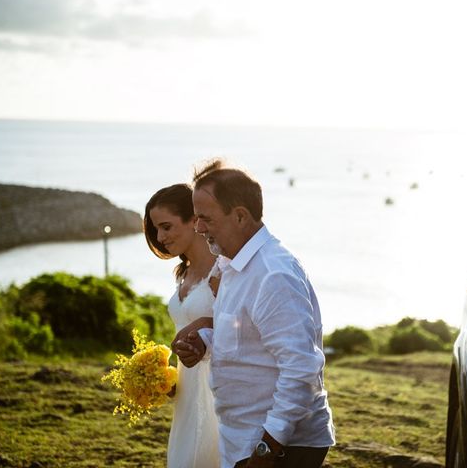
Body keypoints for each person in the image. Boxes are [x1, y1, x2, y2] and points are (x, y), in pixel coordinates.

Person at [174, 159, 335, 468]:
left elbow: (301, 369)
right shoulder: (230, 264)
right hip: (243, 440)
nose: (198, 228)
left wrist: (266, 449)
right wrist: (204, 341)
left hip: (279, 448)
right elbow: (244, 335)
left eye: (205, 218)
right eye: (196, 218)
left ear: (240, 216)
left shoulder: (273, 274)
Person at [144, 183, 220, 468]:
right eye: (156, 230)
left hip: (218, 389)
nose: (160, 237)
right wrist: (165, 378)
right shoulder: (183, 272)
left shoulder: (223, 269)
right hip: (186, 390)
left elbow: (241, 327)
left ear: (194, 219)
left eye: (166, 227)